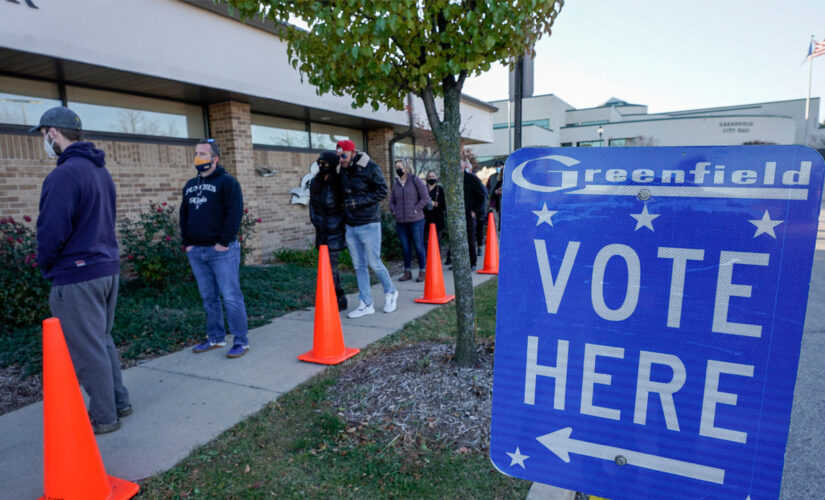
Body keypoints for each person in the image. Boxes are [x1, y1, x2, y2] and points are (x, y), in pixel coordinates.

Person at [33, 106, 131, 434]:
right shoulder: (100, 171)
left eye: (44, 135)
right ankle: (119, 402)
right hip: (106, 268)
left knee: (88, 349)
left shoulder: (63, 175)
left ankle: (104, 417)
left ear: (52, 133)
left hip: (78, 274)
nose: (44, 142)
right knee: (101, 341)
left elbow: (51, 230)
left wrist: (46, 264)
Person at [181, 139, 250, 358]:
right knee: (208, 297)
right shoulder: (190, 185)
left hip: (222, 251)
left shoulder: (228, 182)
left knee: (231, 297)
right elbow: (184, 215)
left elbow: (234, 213)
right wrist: (187, 242)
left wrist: (223, 242)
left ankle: (241, 341)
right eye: (196, 153)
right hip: (197, 252)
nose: (197, 157)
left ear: (215, 158)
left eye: (202, 153)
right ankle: (216, 337)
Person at [336, 139, 398, 318]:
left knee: (374, 263)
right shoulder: (342, 170)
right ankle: (366, 303)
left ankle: (391, 292)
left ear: (352, 152)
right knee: (359, 266)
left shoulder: (370, 167)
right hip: (351, 225)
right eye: (339, 157)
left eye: (344, 156)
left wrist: (358, 203)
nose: (341, 160)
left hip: (369, 223)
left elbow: (382, 190)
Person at [309, 151, 348, 310]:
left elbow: (343, 208)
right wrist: (316, 222)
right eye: (319, 163)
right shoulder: (315, 182)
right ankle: (339, 295)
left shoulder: (339, 182)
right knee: (326, 267)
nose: (321, 166)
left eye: (324, 163)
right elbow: (312, 205)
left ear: (332, 165)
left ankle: (334, 298)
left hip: (335, 232)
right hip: (321, 231)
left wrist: (338, 225)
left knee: (330, 268)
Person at [389, 160, 429, 282]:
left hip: (416, 220)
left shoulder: (415, 180)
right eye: (396, 168)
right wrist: (395, 211)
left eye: (400, 167)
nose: (398, 170)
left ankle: (422, 271)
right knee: (405, 247)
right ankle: (407, 272)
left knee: (418, 246)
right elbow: (391, 202)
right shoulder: (396, 184)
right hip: (401, 222)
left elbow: (425, 197)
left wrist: (416, 210)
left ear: (406, 168)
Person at [462, 159, 487, 271]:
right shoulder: (454, 181)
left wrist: (474, 211)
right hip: (458, 214)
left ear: (463, 168)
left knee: (470, 238)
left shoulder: (471, 179)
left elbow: (482, 195)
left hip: (469, 213)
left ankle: (472, 263)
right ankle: (460, 262)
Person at [423, 169, 446, 254]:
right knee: (426, 241)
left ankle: (437, 260)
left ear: (436, 178)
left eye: (433, 176)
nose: (431, 178)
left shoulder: (440, 189)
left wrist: (435, 204)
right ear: (426, 178)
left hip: (438, 220)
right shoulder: (423, 189)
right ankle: (427, 260)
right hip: (425, 220)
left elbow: (444, 205)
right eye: (429, 177)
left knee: (437, 241)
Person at [487, 160, 504, 230]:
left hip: (504, 205)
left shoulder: (508, 177)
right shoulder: (492, 177)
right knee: (495, 223)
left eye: (500, 166)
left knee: (502, 223)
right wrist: (494, 192)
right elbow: (487, 190)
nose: (498, 168)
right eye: (497, 167)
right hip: (494, 204)